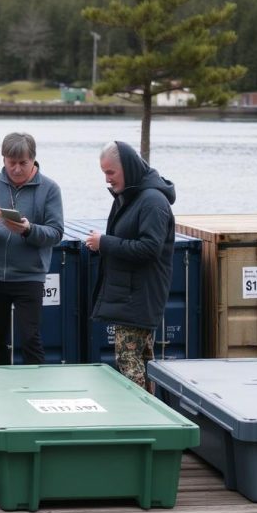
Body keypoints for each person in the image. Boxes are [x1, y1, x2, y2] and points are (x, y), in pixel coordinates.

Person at [0, 132, 63, 365]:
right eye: (11, 163)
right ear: (3, 160)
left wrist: (28, 230)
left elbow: (56, 233)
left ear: (33, 160)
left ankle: (36, 390)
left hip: (30, 277)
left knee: (30, 339)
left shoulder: (49, 189)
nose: (16, 169)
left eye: (23, 163)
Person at [85, 141, 176, 390]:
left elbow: (149, 249)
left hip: (139, 298)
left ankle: (137, 414)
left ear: (126, 167)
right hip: (131, 295)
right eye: (104, 173)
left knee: (128, 361)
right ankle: (153, 417)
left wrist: (104, 243)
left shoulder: (152, 202)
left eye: (110, 172)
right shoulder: (132, 196)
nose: (107, 179)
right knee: (144, 362)